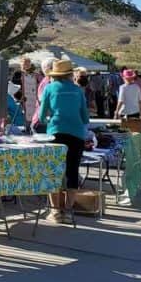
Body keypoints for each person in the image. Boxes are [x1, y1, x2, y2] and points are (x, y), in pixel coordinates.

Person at [38, 58, 90, 222]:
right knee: (72, 172)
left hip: (55, 134)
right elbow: (85, 117)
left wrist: (50, 121)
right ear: (69, 75)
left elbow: (41, 116)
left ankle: (55, 212)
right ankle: (68, 211)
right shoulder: (78, 90)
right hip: (76, 135)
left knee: (53, 171)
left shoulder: (49, 88)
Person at [30, 58, 55, 133]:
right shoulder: (47, 83)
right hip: (43, 123)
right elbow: (43, 102)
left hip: (43, 121)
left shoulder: (47, 81)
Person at [18, 57, 43, 126]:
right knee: (24, 113)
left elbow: (42, 83)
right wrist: (19, 96)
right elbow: (14, 86)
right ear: (21, 65)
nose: (25, 65)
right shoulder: (18, 74)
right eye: (24, 64)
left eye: (27, 63)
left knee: (33, 112)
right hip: (22, 98)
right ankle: (26, 126)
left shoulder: (35, 75)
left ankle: (33, 125)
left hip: (33, 97)